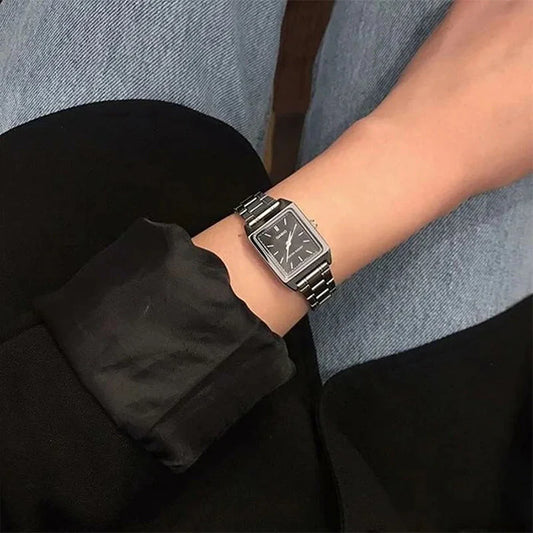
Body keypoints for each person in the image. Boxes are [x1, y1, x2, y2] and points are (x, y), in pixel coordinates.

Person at [0, 0, 531, 530]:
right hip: (414, 468)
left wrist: (406, 153)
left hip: (67, 307)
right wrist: (414, 154)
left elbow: (37, 440)